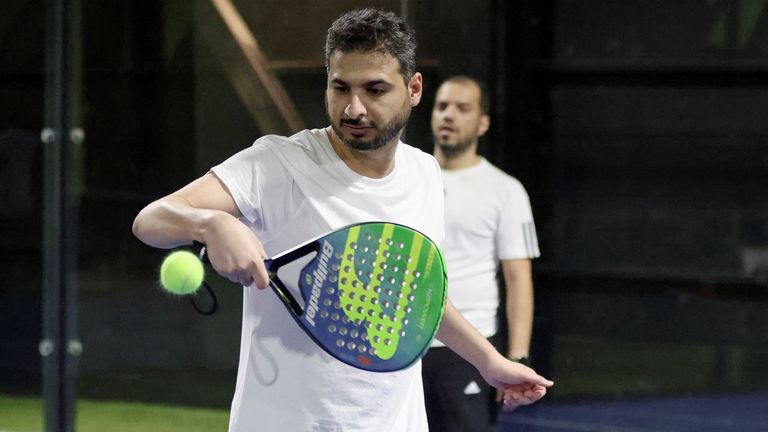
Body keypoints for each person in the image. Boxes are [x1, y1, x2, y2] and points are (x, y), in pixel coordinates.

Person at [132, 9, 552, 432]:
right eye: (340, 88)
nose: (354, 108)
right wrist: (211, 224)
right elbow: (150, 220)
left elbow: (414, 294)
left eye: (374, 90)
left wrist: (490, 361)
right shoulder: (277, 163)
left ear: (414, 89)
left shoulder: (424, 173)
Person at [422, 76, 541, 432]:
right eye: (442, 106)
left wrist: (517, 355)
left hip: (468, 351)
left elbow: (518, 280)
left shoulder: (506, 190)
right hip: (399, 345)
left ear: (483, 122)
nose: (449, 116)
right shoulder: (404, 177)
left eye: (463, 108)